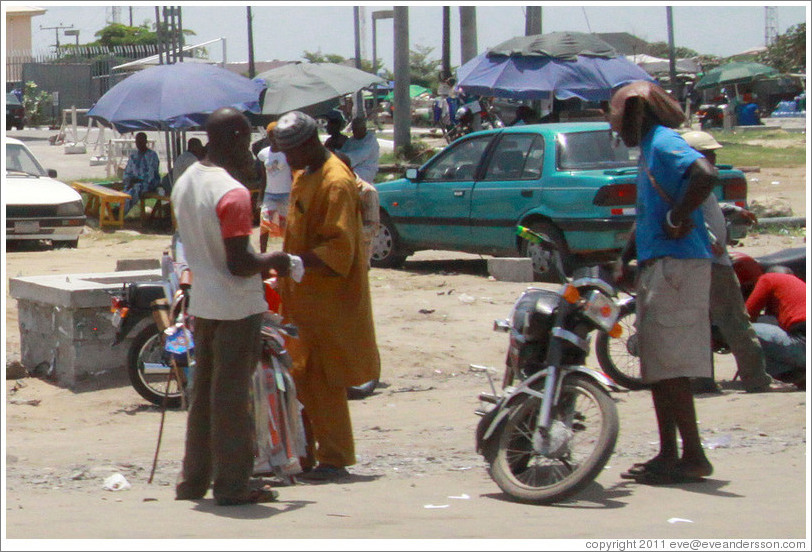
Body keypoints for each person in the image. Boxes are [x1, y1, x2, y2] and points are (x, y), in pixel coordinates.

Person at [171, 107, 293, 506]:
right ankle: (233, 484)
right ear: (238, 137)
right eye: (247, 138)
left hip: (203, 302)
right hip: (237, 305)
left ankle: (194, 480)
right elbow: (240, 264)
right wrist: (276, 262)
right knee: (232, 399)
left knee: (204, 395)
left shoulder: (186, 182)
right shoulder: (232, 193)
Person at [610, 81, 718, 485]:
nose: (616, 128)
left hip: (677, 266)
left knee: (670, 368)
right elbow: (647, 212)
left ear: (636, 115)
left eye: (618, 119)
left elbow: (705, 173)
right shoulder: (650, 150)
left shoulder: (663, 143)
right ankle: (669, 454)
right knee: (657, 367)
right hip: (662, 264)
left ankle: (692, 457)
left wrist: (678, 217)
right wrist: (624, 257)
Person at [273, 110, 380, 482]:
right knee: (300, 377)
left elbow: (339, 248)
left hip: (328, 300)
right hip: (303, 299)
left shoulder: (335, 182)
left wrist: (291, 262)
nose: (286, 162)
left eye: (290, 153)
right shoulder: (305, 173)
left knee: (323, 379)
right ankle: (304, 455)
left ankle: (335, 457)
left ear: (308, 145)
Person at [681, 130, 783, 394]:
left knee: (704, 321)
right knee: (735, 321)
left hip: (702, 259)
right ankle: (756, 379)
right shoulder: (692, 180)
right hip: (712, 261)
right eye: (709, 154)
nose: (713, 158)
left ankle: (703, 380)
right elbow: (692, 215)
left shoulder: (695, 180)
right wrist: (712, 240)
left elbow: (708, 208)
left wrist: (736, 211)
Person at [745, 267, 806, 389]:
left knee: (742, 329)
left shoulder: (769, 278)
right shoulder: (801, 288)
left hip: (803, 346)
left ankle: (792, 375)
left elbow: (746, 315)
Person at [334, 151, 380, 267]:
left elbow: (373, 227)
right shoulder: (332, 190)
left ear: (349, 169)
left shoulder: (366, 192)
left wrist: (347, 235)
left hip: (358, 258)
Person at [256, 121, 294, 253]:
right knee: (264, 224)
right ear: (268, 135)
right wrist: (260, 198)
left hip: (286, 193)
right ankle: (262, 254)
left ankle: (288, 253)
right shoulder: (263, 154)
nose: (274, 137)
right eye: (271, 134)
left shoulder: (288, 153)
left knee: (287, 226)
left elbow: (293, 175)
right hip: (269, 194)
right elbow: (264, 177)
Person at [122, 132, 161, 214]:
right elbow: (128, 171)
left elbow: (151, 175)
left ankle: (120, 212)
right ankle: (118, 208)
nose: (138, 144)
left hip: (149, 184)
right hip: (134, 183)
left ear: (145, 142)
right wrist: (129, 180)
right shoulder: (133, 155)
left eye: (141, 141)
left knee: (137, 188)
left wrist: (138, 180)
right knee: (126, 190)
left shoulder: (152, 155)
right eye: (137, 141)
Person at [339, 115, 380, 184]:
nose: (355, 132)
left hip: (365, 171)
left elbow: (358, 156)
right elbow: (342, 152)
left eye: (357, 129)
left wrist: (341, 157)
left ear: (364, 129)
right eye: (354, 130)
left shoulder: (370, 142)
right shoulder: (351, 140)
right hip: (351, 168)